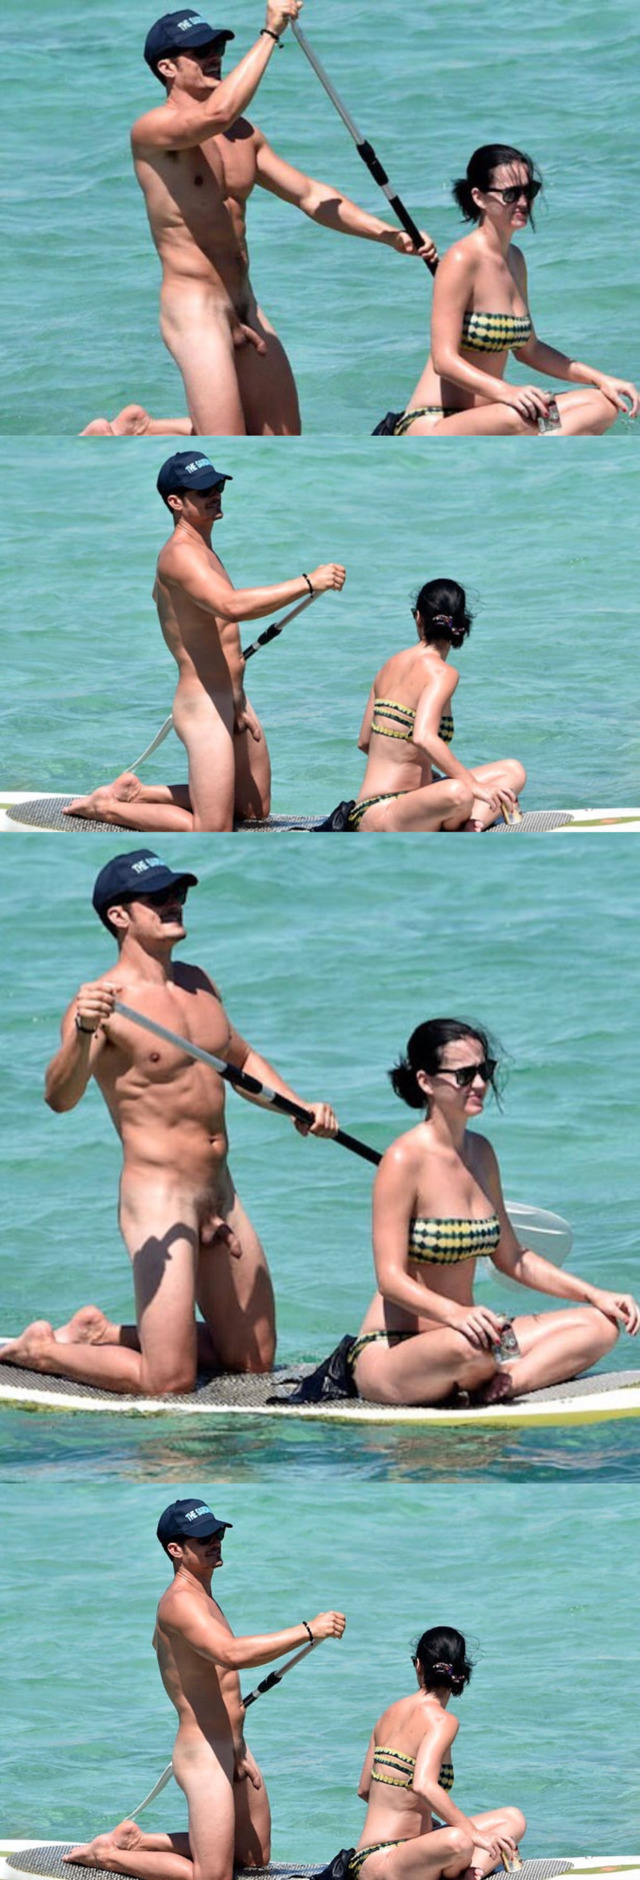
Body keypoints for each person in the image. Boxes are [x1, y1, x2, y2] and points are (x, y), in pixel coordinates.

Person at [0, 851, 339, 1393]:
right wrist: (83, 1032)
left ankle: (101, 1333)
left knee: (252, 1361)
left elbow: (240, 1060)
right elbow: (59, 1097)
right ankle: (44, 1351)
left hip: (220, 1191)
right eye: (157, 897)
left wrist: (299, 1108)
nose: (174, 903)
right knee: (169, 1380)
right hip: (159, 1200)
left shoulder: (198, 982)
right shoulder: (103, 1003)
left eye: (178, 892)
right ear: (119, 916)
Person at [81, 5, 437, 437]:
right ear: (167, 68)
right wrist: (270, 33)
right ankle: (139, 434)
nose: (214, 55)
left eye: (217, 46)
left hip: (247, 304)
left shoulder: (242, 135)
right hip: (195, 310)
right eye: (200, 51)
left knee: (282, 445)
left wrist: (388, 235)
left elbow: (309, 195)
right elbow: (216, 114)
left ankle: (142, 429)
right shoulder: (153, 131)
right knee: (228, 446)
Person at [351, 1018, 639, 1405]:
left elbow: (513, 1259)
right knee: (472, 1350)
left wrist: (595, 1294)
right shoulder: (403, 1160)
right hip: (396, 1350)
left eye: (484, 1070)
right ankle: (487, 1372)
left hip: (474, 1337)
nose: (480, 1084)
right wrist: (455, 1314)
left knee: (600, 1326)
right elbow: (390, 1279)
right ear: (425, 1081)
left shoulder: (481, 1153)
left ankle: (507, 1383)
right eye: (464, 1075)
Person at [64, 452, 346, 834]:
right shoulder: (180, 554)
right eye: (202, 491)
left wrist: (238, 697)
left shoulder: (202, 549)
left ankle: (139, 793)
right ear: (175, 502)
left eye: (218, 486)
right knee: (213, 829)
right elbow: (231, 606)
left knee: (254, 810)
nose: (215, 495)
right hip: (203, 705)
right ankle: (107, 807)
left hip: (232, 696)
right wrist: (308, 583)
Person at [66, 1499, 346, 1880]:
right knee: (213, 1877)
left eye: (218, 1534)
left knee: (254, 1857)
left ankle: (139, 1840)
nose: (215, 1542)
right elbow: (230, 1654)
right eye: (203, 1539)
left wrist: (238, 1745)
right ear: (175, 1550)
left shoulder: (202, 1597)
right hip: (202, 1753)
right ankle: (107, 1855)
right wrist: (308, 1630)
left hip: (232, 1744)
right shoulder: (179, 1603)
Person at [390, 143, 638, 436]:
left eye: (528, 191)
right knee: (521, 418)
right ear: (479, 197)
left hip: (494, 414)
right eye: (511, 194)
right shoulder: (460, 259)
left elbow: (529, 350)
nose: (523, 202)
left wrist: (601, 379)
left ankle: (541, 450)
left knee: (603, 405)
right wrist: (508, 392)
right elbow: (444, 361)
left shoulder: (515, 260)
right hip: (434, 421)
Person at [348, 580, 525, 831]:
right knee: (459, 791)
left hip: (385, 806)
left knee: (512, 771)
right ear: (462, 623)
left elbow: (365, 741)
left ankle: (470, 824)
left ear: (419, 618)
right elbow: (423, 737)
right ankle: (469, 823)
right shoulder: (442, 673)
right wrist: (474, 786)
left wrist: (420, 770)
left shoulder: (389, 665)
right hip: (385, 812)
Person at [351, 1625, 525, 1880]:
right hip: (385, 1861)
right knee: (459, 1839)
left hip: (382, 1856)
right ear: (462, 1671)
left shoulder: (389, 1713)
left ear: (418, 1665)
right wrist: (475, 1834)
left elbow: (365, 1789)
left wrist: (418, 1816)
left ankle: (469, 1874)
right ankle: (468, 1872)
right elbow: (423, 1785)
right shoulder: (442, 1720)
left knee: (512, 1819)